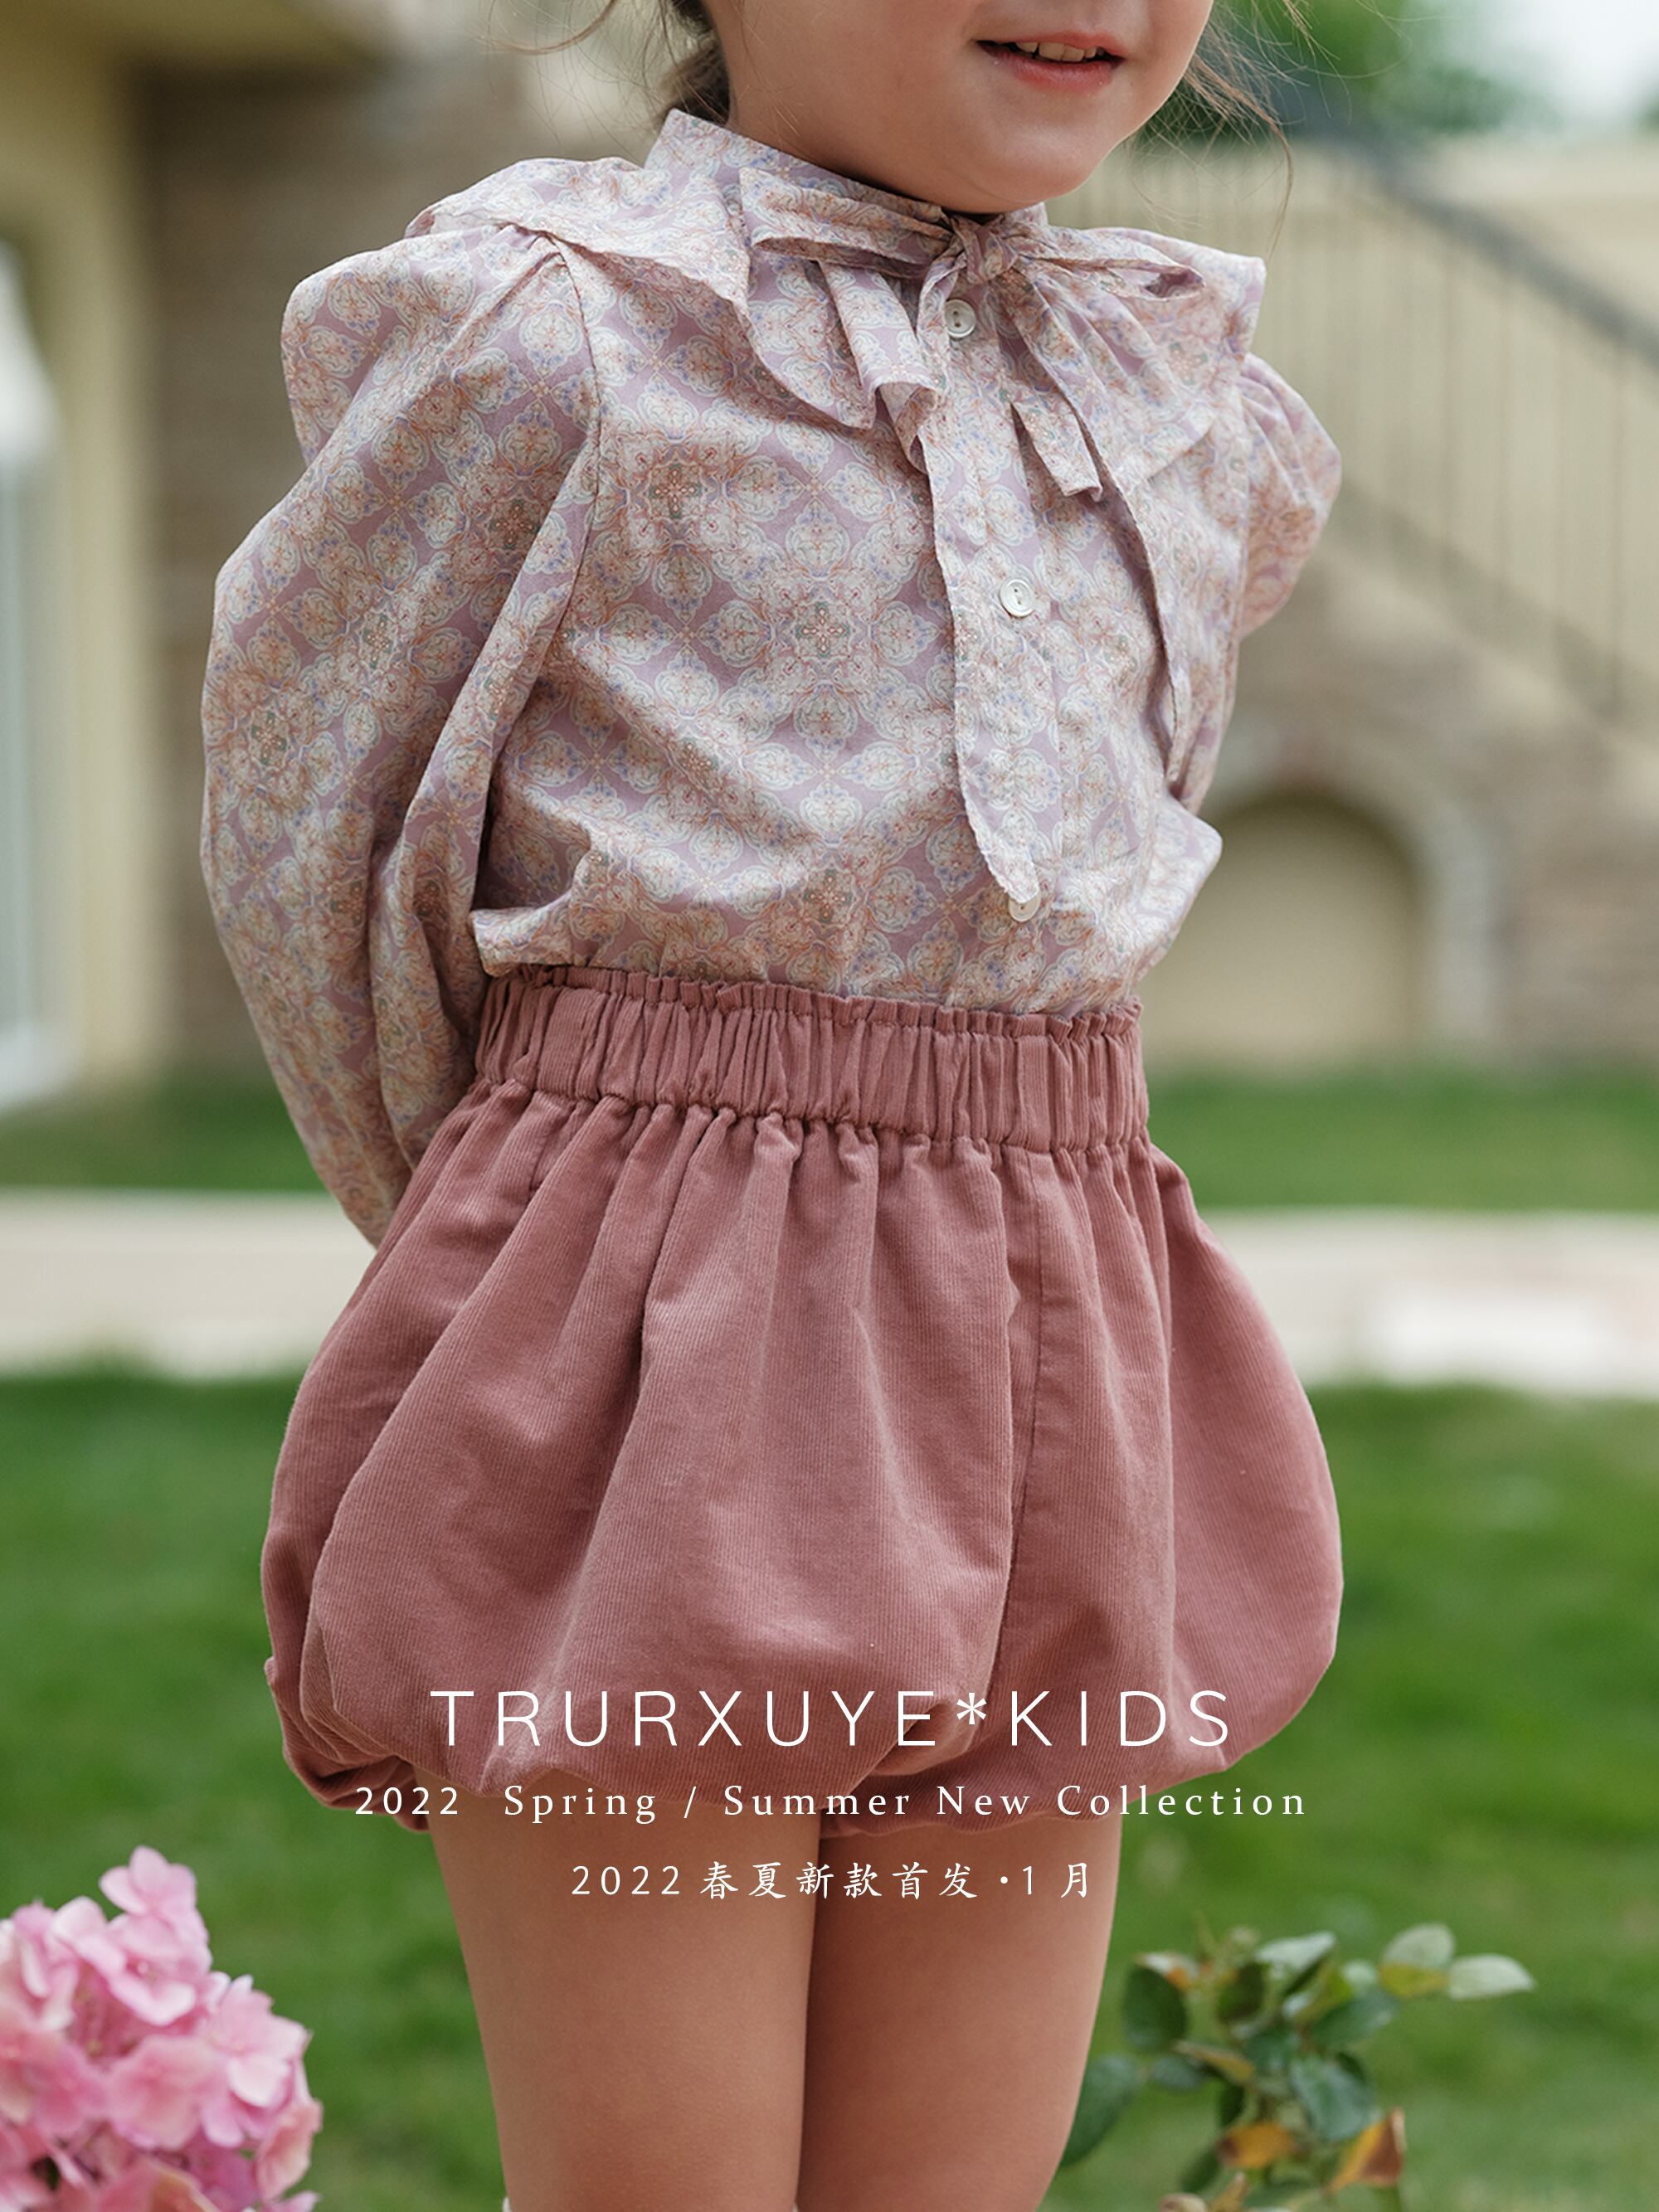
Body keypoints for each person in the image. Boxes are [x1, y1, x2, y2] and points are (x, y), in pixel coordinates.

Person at [199, 2, 1345, 2205]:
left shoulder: (1182, 396)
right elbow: (314, 853)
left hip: (1048, 1329)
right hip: (654, 1355)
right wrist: (533, 1244)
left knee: (954, 2180)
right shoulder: (555, 331)